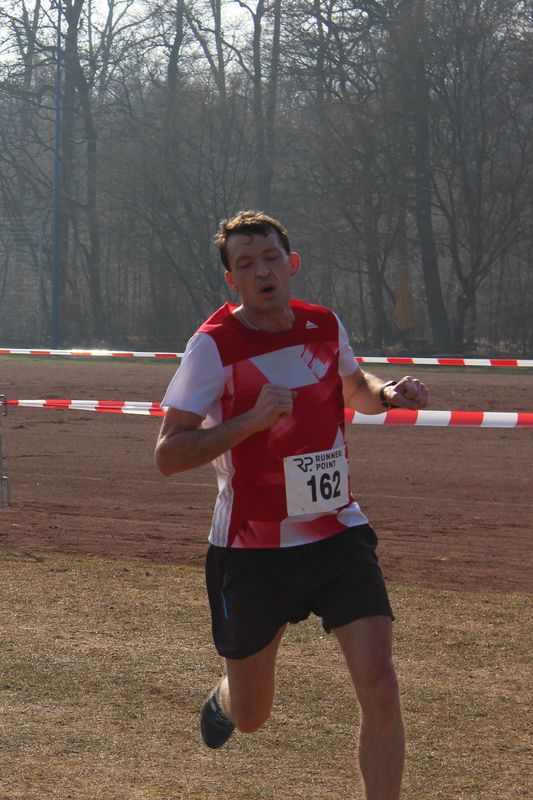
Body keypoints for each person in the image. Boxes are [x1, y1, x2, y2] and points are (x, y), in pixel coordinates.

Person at [155, 210, 428, 800]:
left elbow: (355, 389)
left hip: (337, 532)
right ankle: (227, 698)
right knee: (253, 714)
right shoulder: (213, 347)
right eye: (246, 264)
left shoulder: (323, 325)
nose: (262, 272)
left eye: (271, 259)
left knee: (381, 686)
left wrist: (388, 393)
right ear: (231, 280)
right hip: (252, 548)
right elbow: (169, 454)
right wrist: (251, 421)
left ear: (292, 263)